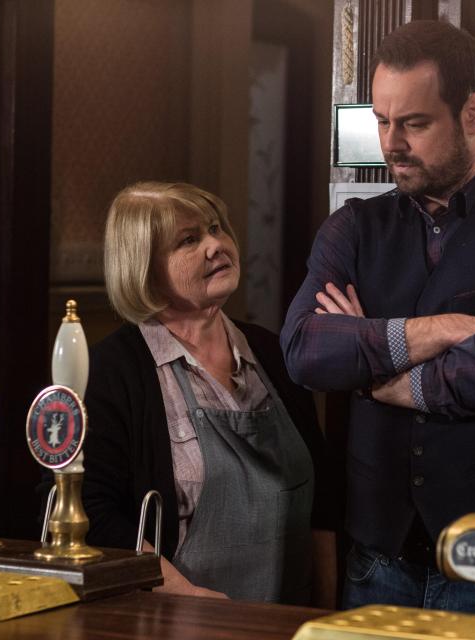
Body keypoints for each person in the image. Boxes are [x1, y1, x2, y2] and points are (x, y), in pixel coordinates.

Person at [280, 20, 475, 615]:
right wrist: (443, 331)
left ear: (474, 113)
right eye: (382, 121)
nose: (391, 143)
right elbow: (305, 350)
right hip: (377, 560)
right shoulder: (353, 228)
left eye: (414, 124)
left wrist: (377, 374)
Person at [82, 182, 336, 606]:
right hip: (180, 622)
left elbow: (324, 504)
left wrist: (330, 614)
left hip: (291, 624)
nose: (216, 245)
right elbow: (93, 514)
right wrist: (190, 601)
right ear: (144, 267)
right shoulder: (113, 371)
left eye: (216, 228)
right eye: (189, 240)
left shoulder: (274, 351)